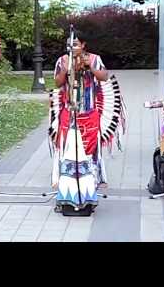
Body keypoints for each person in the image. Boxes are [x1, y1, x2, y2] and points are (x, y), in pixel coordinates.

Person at [48, 30, 125, 212]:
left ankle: (90, 184)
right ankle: (67, 184)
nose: (72, 48)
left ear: (83, 45)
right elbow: (58, 83)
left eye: (75, 44)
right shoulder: (62, 60)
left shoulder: (94, 58)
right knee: (67, 148)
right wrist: (67, 69)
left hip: (89, 113)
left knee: (89, 148)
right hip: (69, 111)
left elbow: (104, 77)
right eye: (69, 45)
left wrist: (90, 66)